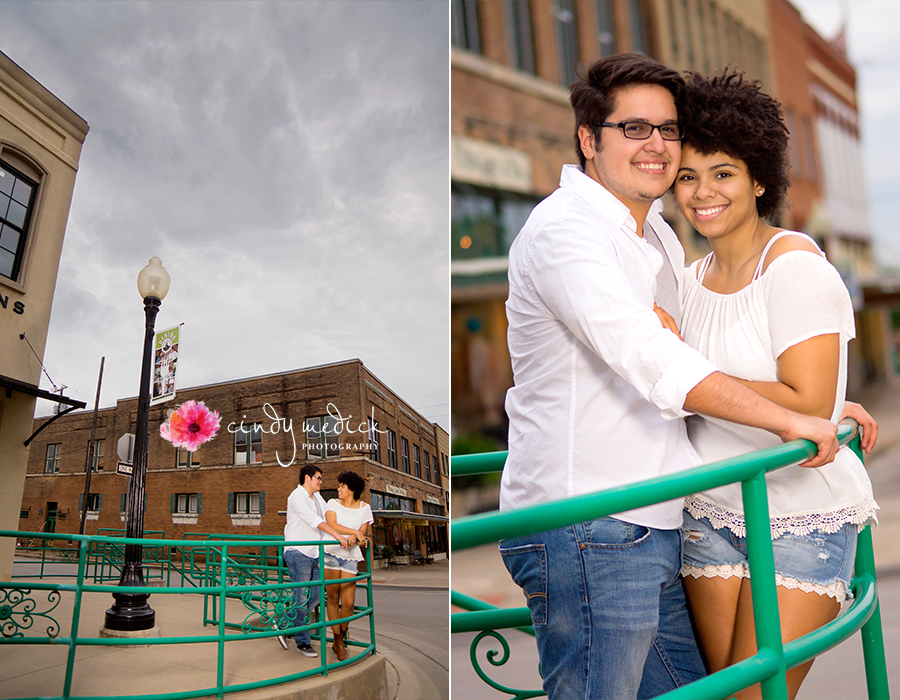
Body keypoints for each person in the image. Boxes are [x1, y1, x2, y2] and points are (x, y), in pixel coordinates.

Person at [499, 52, 841, 700]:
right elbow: (655, 358)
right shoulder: (566, 233)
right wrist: (790, 417)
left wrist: (829, 404)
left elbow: (707, 351)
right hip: (588, 524)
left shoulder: (655, 233)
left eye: (668, 128)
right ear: (587, 140)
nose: (656, 144)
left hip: (656, 521)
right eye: (634, 128)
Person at [669, 68, 879, 699]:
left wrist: (692, 377)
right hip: (710, 510)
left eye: (723, 172)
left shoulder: (793, 264)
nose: (703, 192)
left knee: (751, 695)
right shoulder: (684, 281)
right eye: (687, 176)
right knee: (723, 690)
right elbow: (776, 392)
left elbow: (807, 405)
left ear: (759, 177)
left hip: (799, 511)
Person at [278, 464, 349, 658]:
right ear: (307, 478)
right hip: (298, 552)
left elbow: (330, 516)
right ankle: (303, 643)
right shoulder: (296, 497)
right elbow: (314, 521)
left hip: (316, 553)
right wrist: (337, 535)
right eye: (318, 477)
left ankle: (284, 623)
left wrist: (353, 530)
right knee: (300, 597)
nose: (321, 481)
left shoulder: (318, 498)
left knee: (317, 595)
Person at [322, 470, 373, 661]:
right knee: (333, 598)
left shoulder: (364, 508)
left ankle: (341, 635)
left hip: (350, 556)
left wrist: (356, 535)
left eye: (342, 486)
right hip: (331, 554)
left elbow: (363, 531)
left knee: (349, 603)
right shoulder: (332, 503)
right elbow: (331, 524)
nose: (338, 489)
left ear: (351, 489)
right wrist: (355, 533)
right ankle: (338, 642)